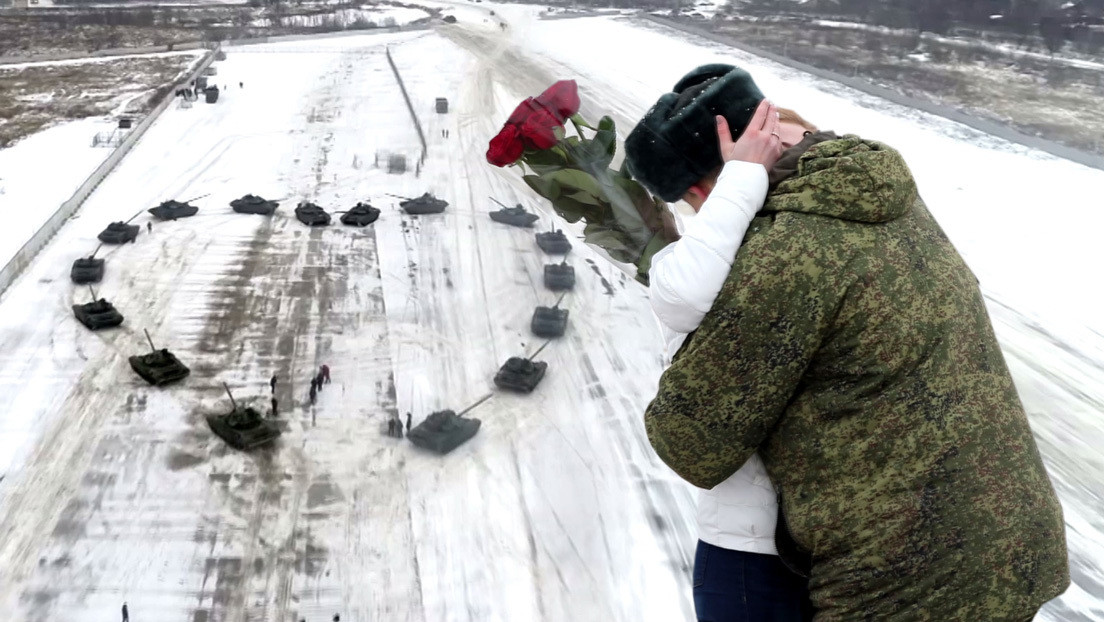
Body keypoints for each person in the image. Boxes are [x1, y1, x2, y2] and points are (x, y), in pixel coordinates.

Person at [626, 63, 1070, 620]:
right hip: (1011, 539)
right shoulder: (875, 188)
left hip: (909, 584)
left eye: (696, 207)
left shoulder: (784, 249)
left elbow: (691, 442)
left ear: (704, 188)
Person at [640, 96, 815, 621]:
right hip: (821, 541)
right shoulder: (822, 234)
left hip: (754, 549)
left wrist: (739, 182)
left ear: (696, 190)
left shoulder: (729, 258)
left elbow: (680, 296)